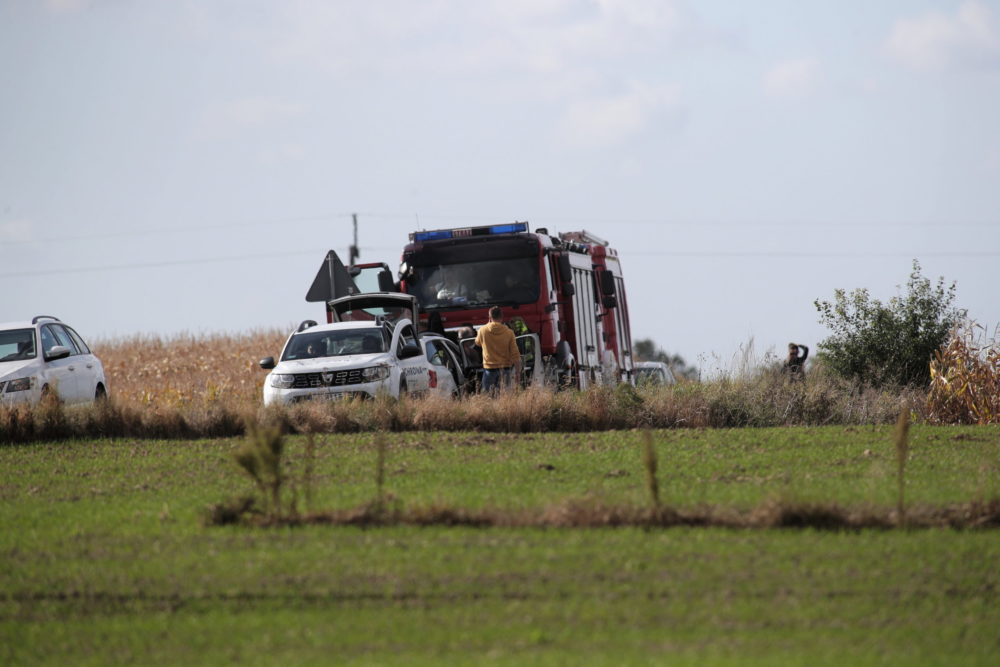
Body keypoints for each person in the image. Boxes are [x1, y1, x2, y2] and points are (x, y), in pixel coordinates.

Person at [474, 306, 521, 394]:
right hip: (505, 369)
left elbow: (477, 343)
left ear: (490, 317)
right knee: (504, 396)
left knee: (488, 396)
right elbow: (515, 353)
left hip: (489, 369)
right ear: (502, 317)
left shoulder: (482, 330)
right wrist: (518, 372)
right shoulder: (509, 332)